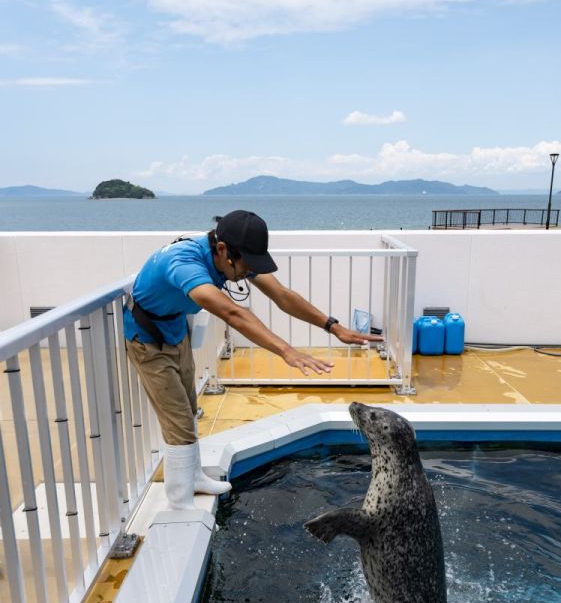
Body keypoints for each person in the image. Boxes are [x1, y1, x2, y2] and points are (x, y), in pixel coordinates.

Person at [124, 210, 381, 510]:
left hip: (175, 329)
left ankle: (193, 478)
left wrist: (333, 327)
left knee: (190, 408)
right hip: (147, 339)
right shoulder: (184, 264)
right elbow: (234, 313)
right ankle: (180, 504)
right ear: (223, 251)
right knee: (178, 420)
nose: (250, 272)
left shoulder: (233, 253)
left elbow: (283, 296)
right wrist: (287, 351)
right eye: (247, 265)